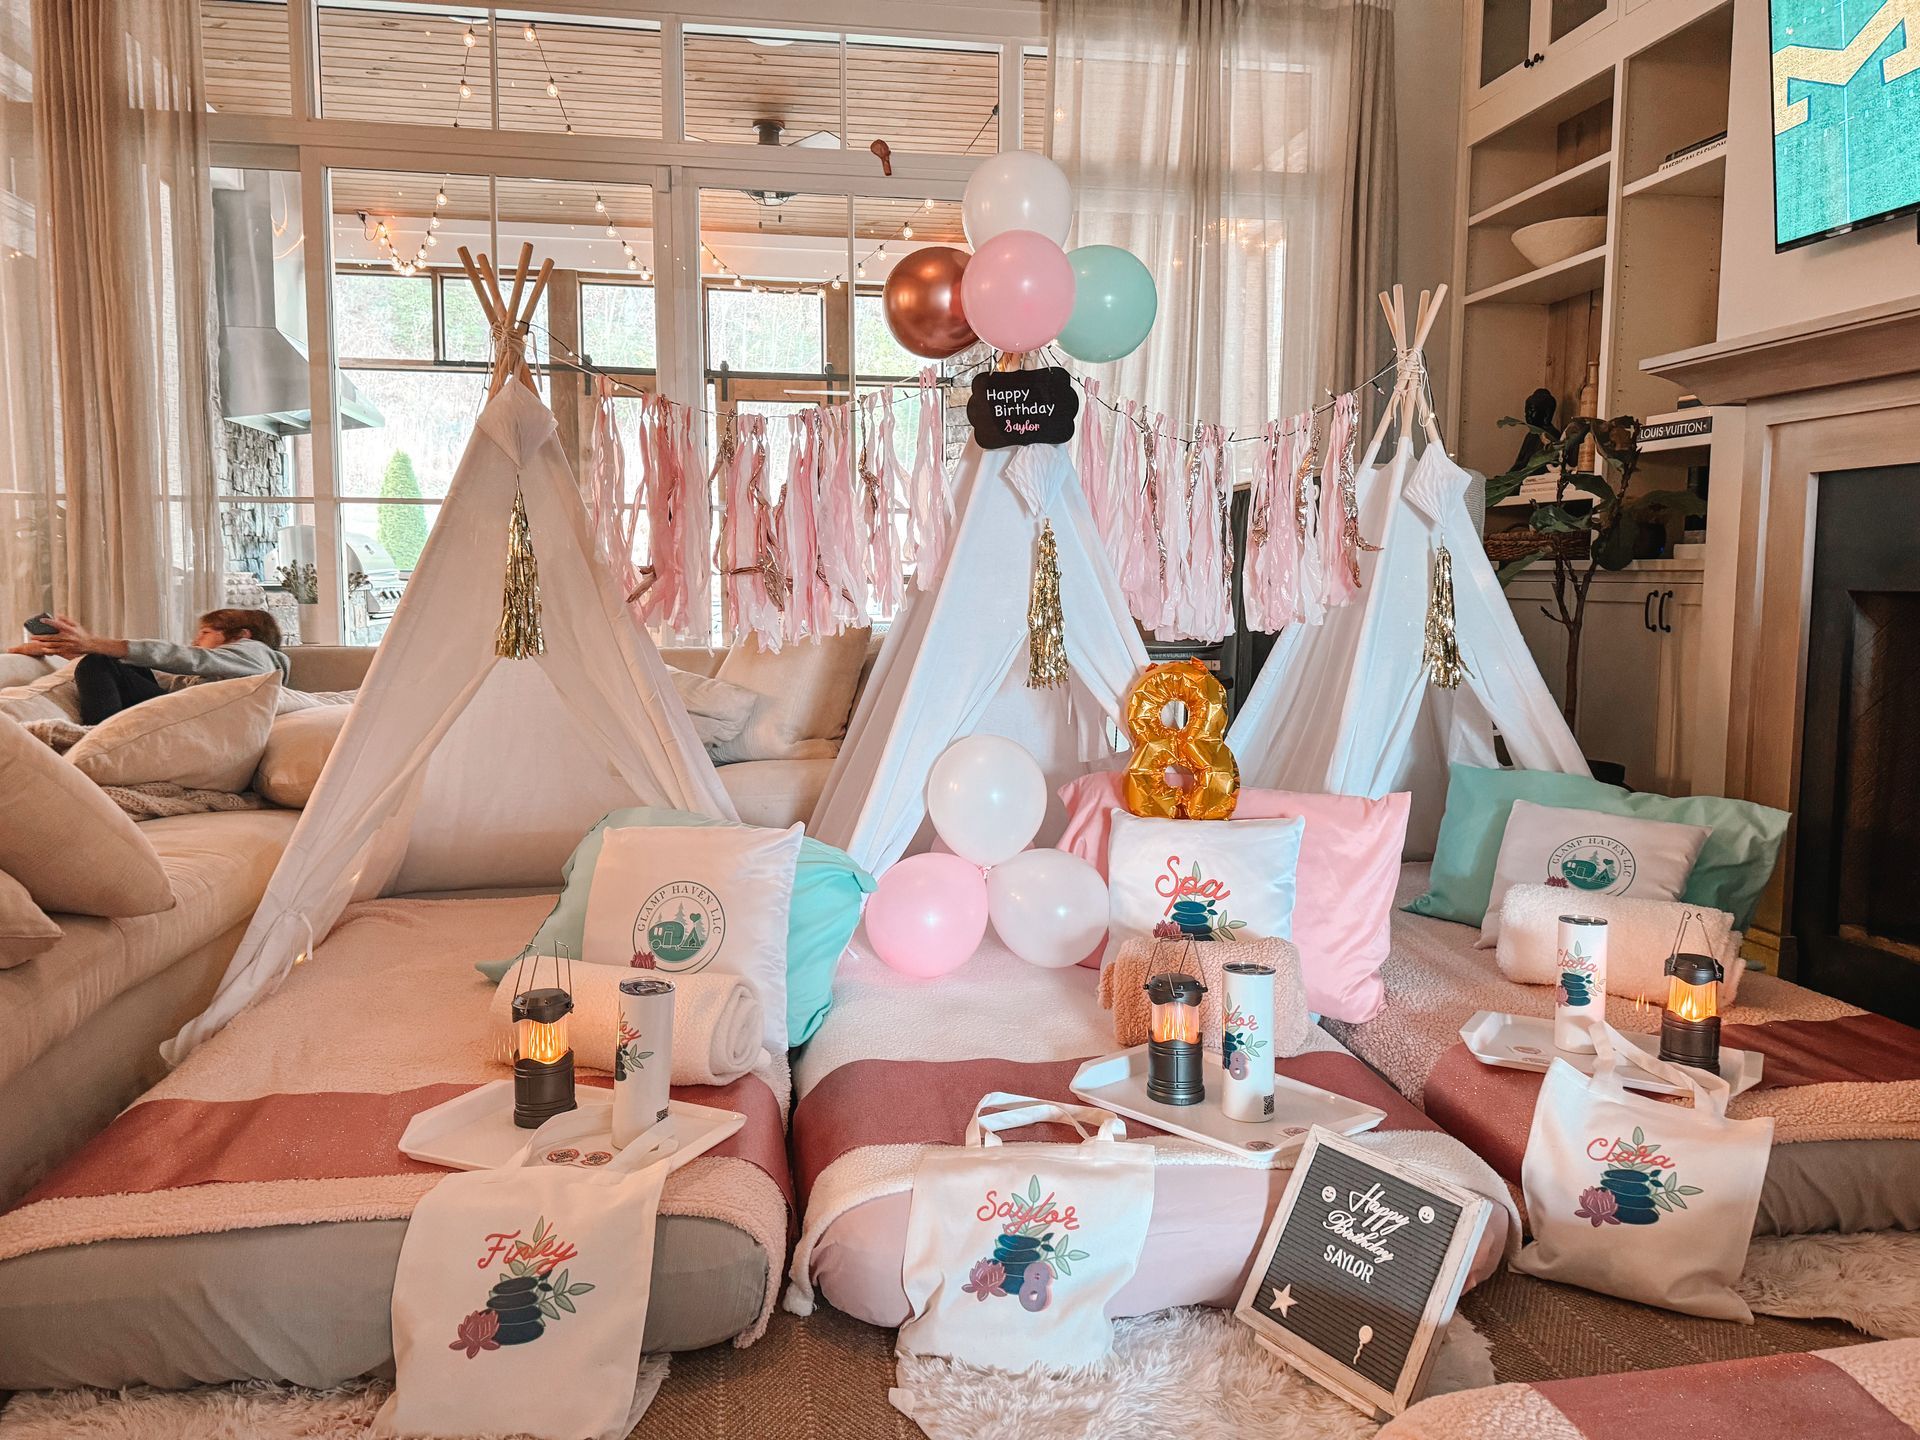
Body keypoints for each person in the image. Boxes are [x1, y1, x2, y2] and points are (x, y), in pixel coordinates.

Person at [9, 609, 291, 724]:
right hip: (185, 711)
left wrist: (95, 645)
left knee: (98, 658)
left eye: (205, 633)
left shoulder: (255, 652)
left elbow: (190, 658)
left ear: (242, 635)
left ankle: (94, 736)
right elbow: (161, 678)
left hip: (190, 719)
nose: (195, 640)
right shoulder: (229, 672)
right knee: (105, 661)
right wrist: (61, 652)